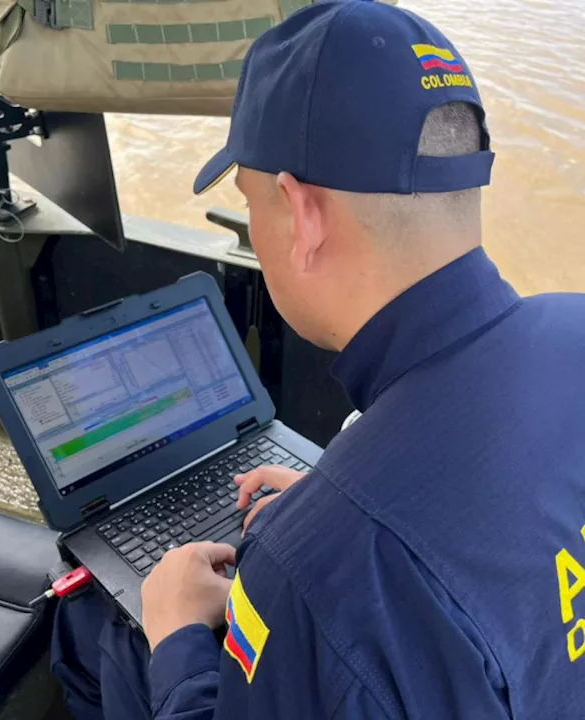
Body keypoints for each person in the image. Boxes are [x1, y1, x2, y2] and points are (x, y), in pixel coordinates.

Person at [49, 1, 585, 718]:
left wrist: (177, 634)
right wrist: (332, 497)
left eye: (250, 202)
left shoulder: (310, 573)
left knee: (92, 631)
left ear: (302, 216)